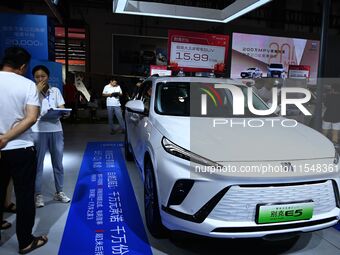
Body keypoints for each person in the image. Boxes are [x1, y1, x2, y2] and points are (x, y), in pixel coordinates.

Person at [0, 46, 48, 254]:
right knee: (24, 195)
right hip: (20, 148)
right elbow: (31, 117)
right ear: (22, 66)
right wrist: (6, 138)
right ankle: (26, 242)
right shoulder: (28, 85)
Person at [31, 65, 71, 208]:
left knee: (58, 163)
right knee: (38, 164)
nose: (40, 79)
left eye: (43, 76)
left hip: (56, 129)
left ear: (48, 76)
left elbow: (61, 106)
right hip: (38, 130)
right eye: (37, 77)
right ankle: (38, 194)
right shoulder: (31, 91)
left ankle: (59, 191)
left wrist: (64, 112)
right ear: (34, 78)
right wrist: (35, 92)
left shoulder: (55, 91)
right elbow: (27, 109)